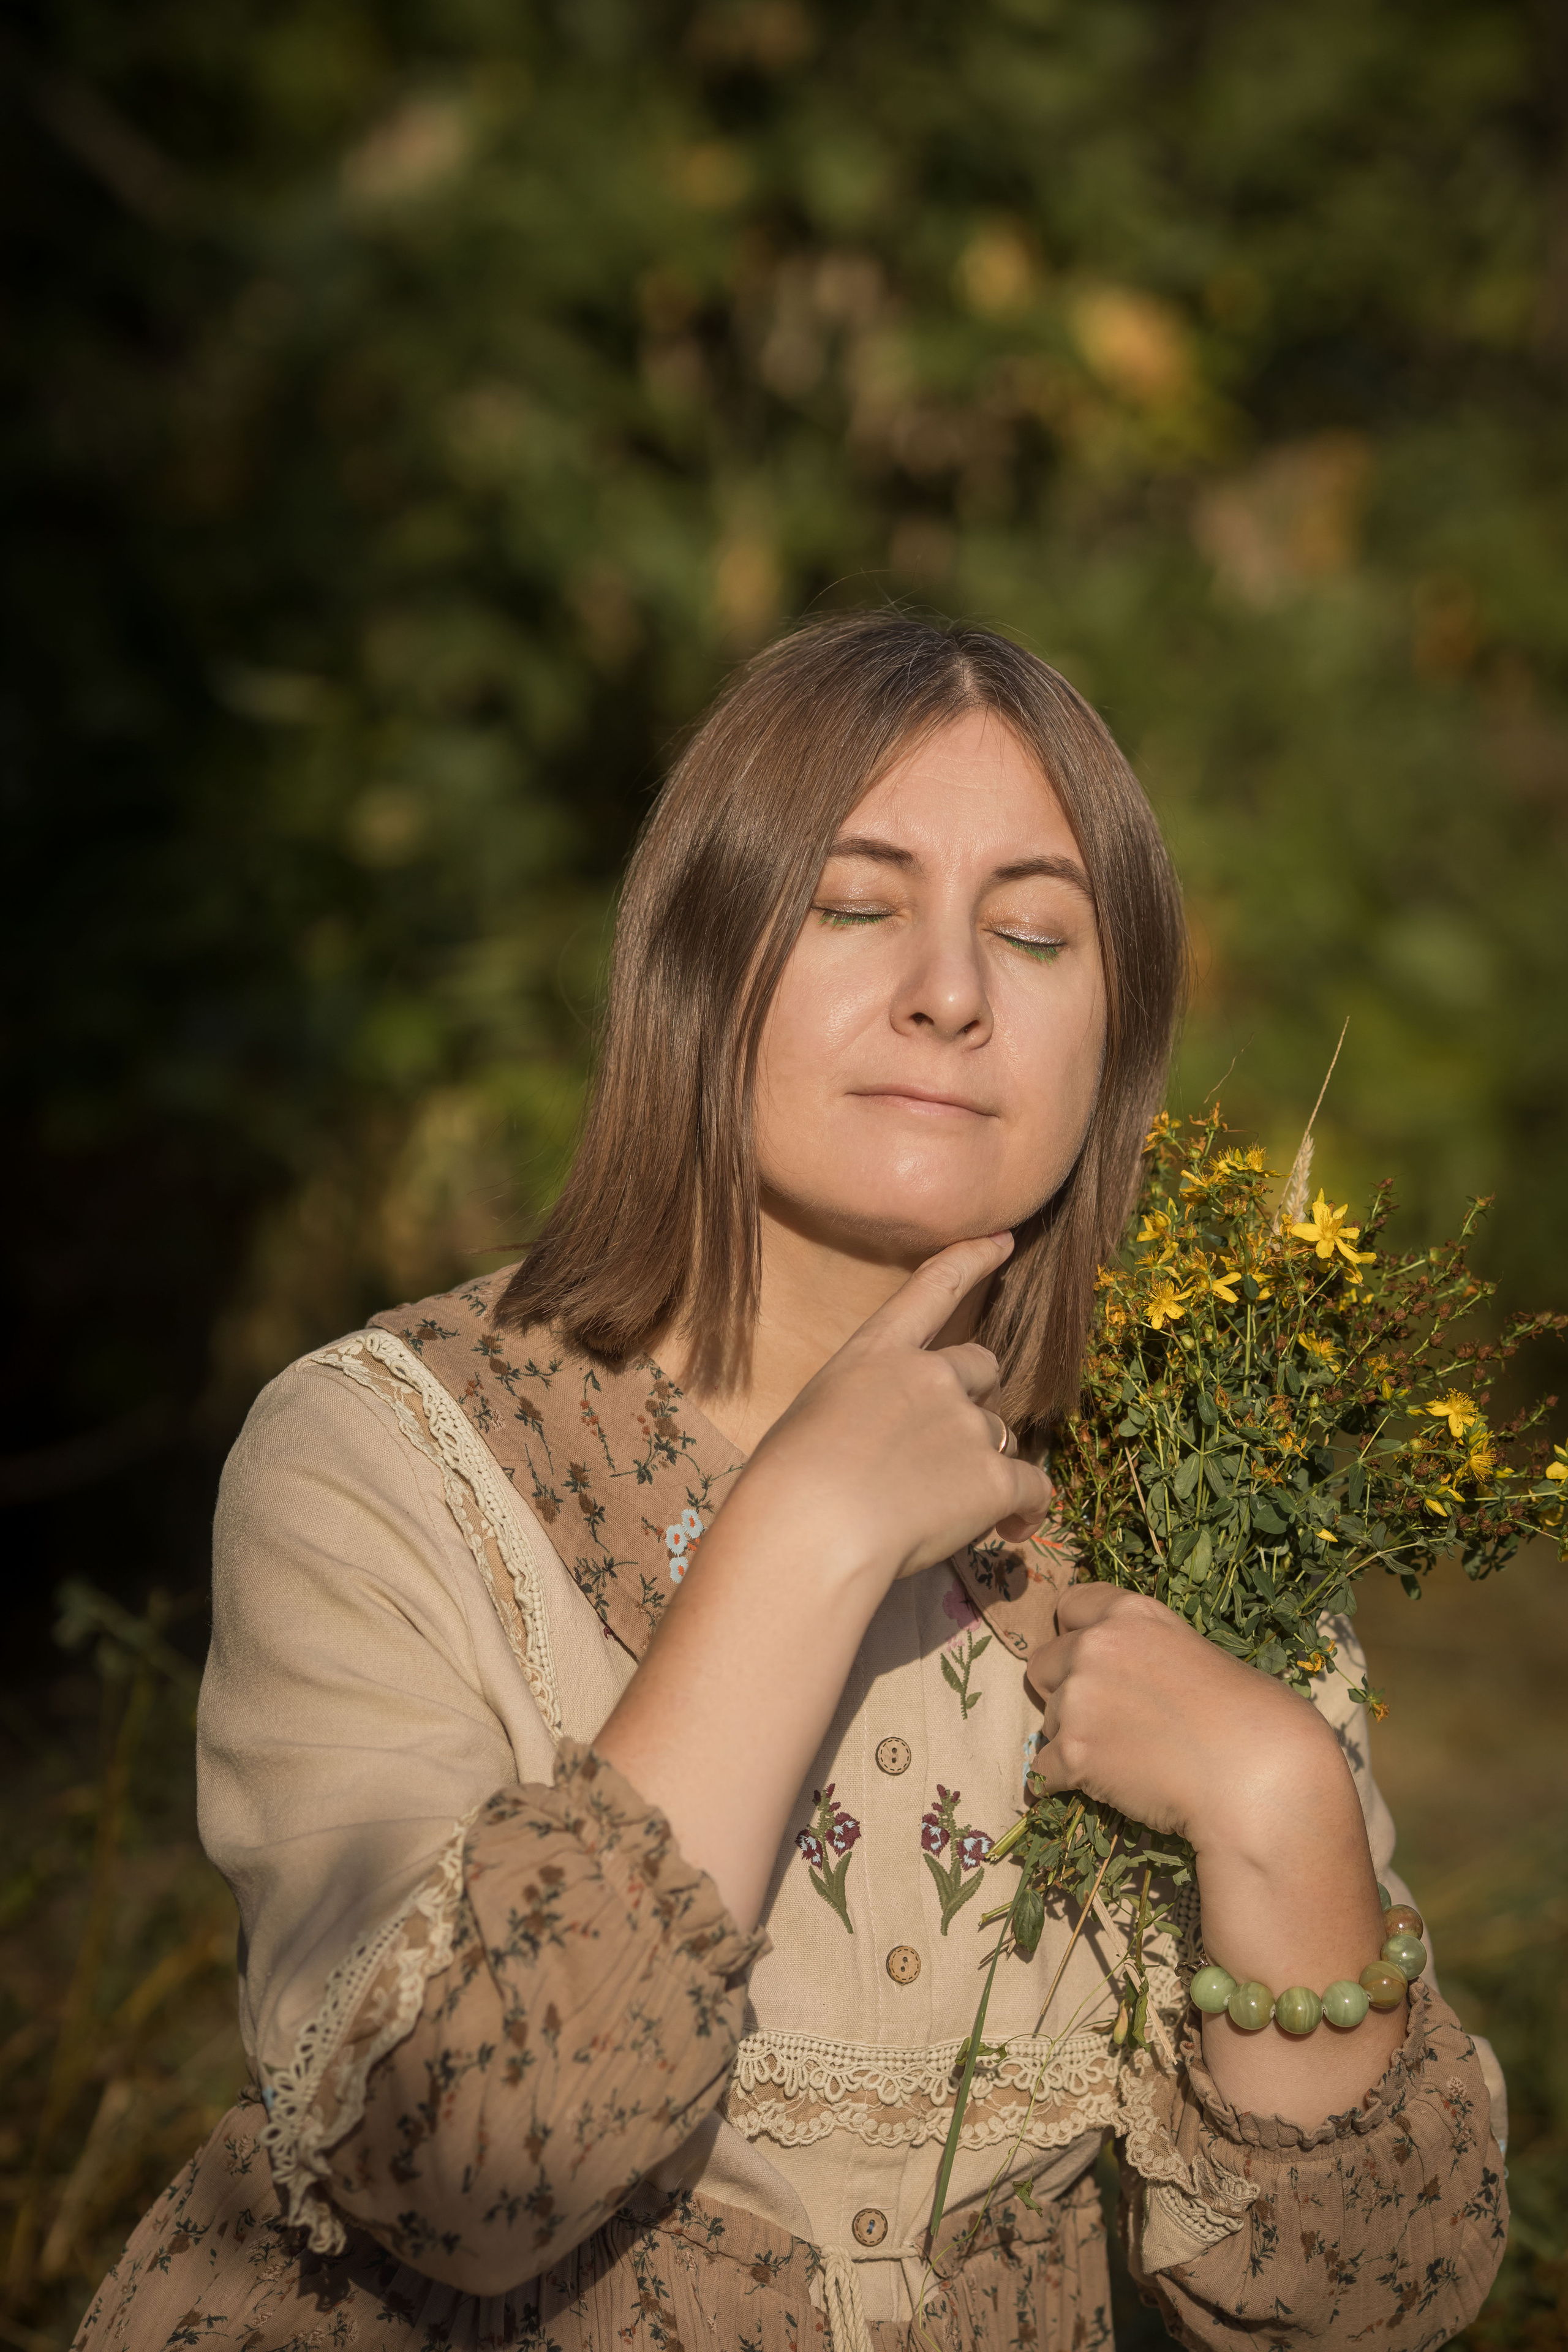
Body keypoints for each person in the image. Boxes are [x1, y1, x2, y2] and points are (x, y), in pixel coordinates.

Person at [76, 614, 1507, 2352]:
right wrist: (810, 1535)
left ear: (1112, 1040)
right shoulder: (392, 1461)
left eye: (1037, 933)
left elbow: (1372, 2305)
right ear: (695, 961)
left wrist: (1275, 1804)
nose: (953, 990)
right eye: (852, 902)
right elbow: (457, 2168)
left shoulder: (1191, 1497)